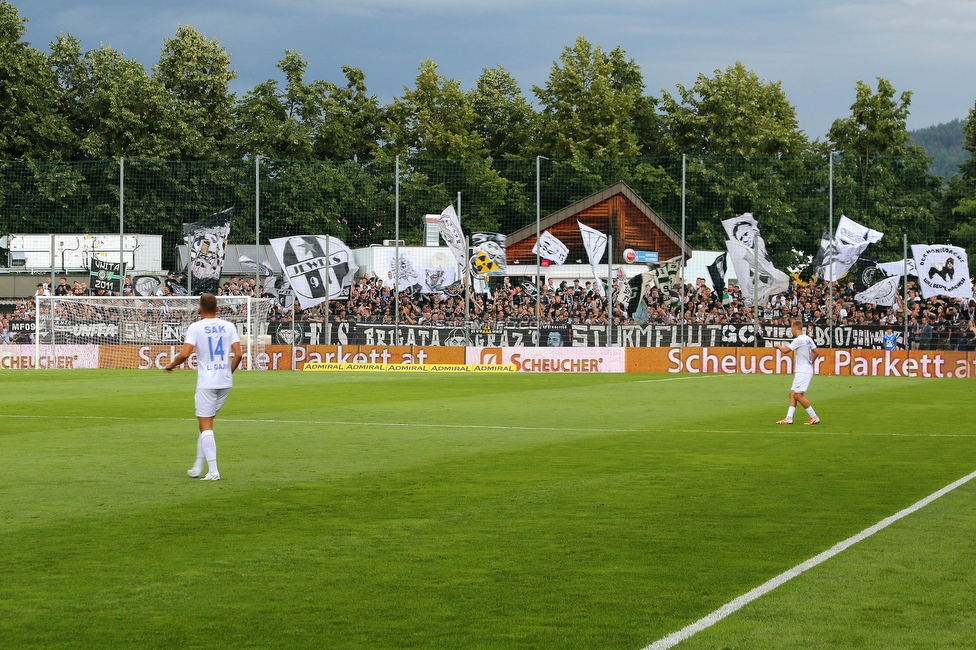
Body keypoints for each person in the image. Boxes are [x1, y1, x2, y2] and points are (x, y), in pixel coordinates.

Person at [163, 293, 243, 481]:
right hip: (225, 383)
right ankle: (198, 466)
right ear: (217, 308)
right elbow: (239, 354)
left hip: (207, 383)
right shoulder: (229, 326)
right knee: (206, 424)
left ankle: (213, 471)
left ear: (199, 309)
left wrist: (171, 365)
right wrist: (227, 372)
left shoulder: (196, 327)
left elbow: (184, 354)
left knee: (205, 425)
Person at [773, 319, 820, 425]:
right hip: (804, 370)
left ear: (795, 328)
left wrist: (778, 346)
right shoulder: (808, 338)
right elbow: (817, 353)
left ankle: (814, 417)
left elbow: (785, 351)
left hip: (803, 371)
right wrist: (810, 363)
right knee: (792, 394)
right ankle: (789, 418)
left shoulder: (799, 340)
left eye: (791, 329)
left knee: (798, 395)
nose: (791, 331)